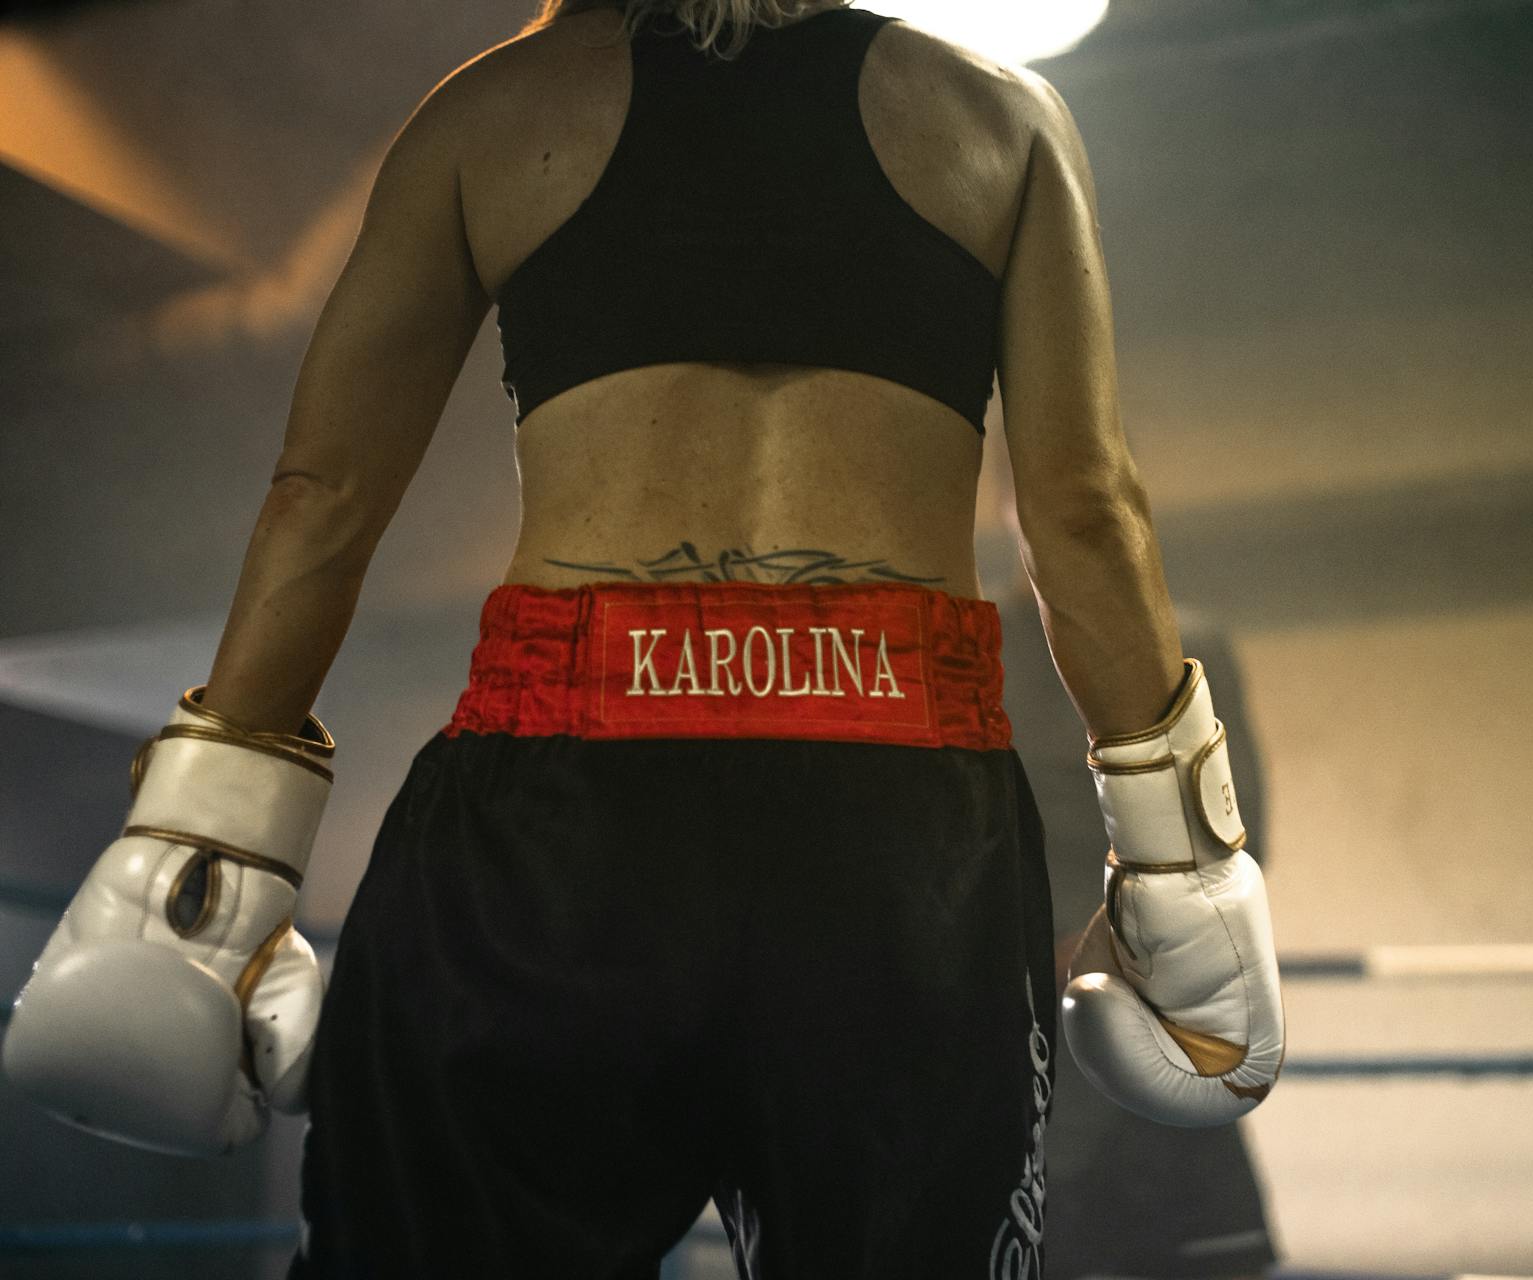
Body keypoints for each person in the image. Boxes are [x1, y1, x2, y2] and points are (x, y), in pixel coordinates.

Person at [2, 2, 1285, 1276]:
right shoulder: (1001, 120)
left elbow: (322, 502)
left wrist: (202, 852)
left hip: (558, 811)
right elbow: (1083, 515)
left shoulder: (490, 112)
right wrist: (1186, 867)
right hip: (896, 816)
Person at [996, 586, 1280, 1279]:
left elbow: (1235, 842)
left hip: (1165, 1053)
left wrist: (1112, 944)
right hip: (1026, 1063)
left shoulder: (1184, 648)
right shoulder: (972, 650)